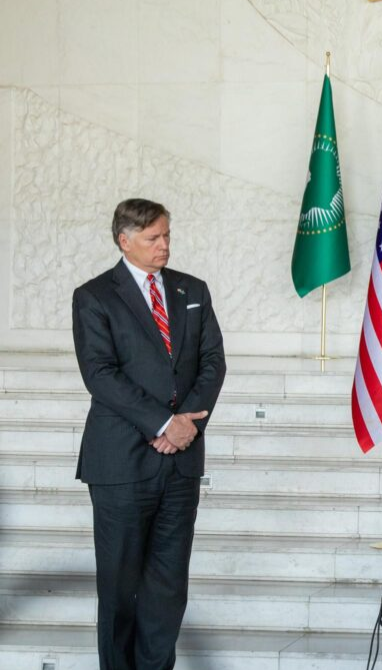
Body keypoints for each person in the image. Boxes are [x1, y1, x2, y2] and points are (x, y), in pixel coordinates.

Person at [72, 198, 226, 670]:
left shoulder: (192, 290)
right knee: (120, 589)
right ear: (124, 241)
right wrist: (163, 423)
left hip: (180, 464)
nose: (164, 245)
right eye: (153, 238)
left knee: (167, 588)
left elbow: (212, 363)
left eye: (167, 235)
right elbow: (100, 374)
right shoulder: (94, 296)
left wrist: (185, 427)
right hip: (120, 463)